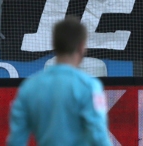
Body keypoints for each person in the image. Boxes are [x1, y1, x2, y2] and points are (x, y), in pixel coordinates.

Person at [7, 17, 112, 146]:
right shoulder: (90, 87)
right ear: (81, 46)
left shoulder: (29, 87)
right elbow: (98, 136)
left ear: (55, 44)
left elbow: (16, 140)